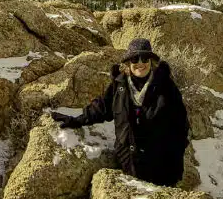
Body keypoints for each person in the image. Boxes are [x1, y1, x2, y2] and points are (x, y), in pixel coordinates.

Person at [51, 38, 190, 187]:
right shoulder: (120, 85)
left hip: (161, 166)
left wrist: (173, 157)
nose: (140, 63)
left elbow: (181, 125)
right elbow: (102, 108)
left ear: (151, 61)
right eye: (135, 58)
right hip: (129, 163)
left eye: (145, 58)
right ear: (128, 62)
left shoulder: (166, 86)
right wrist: (76, 120)